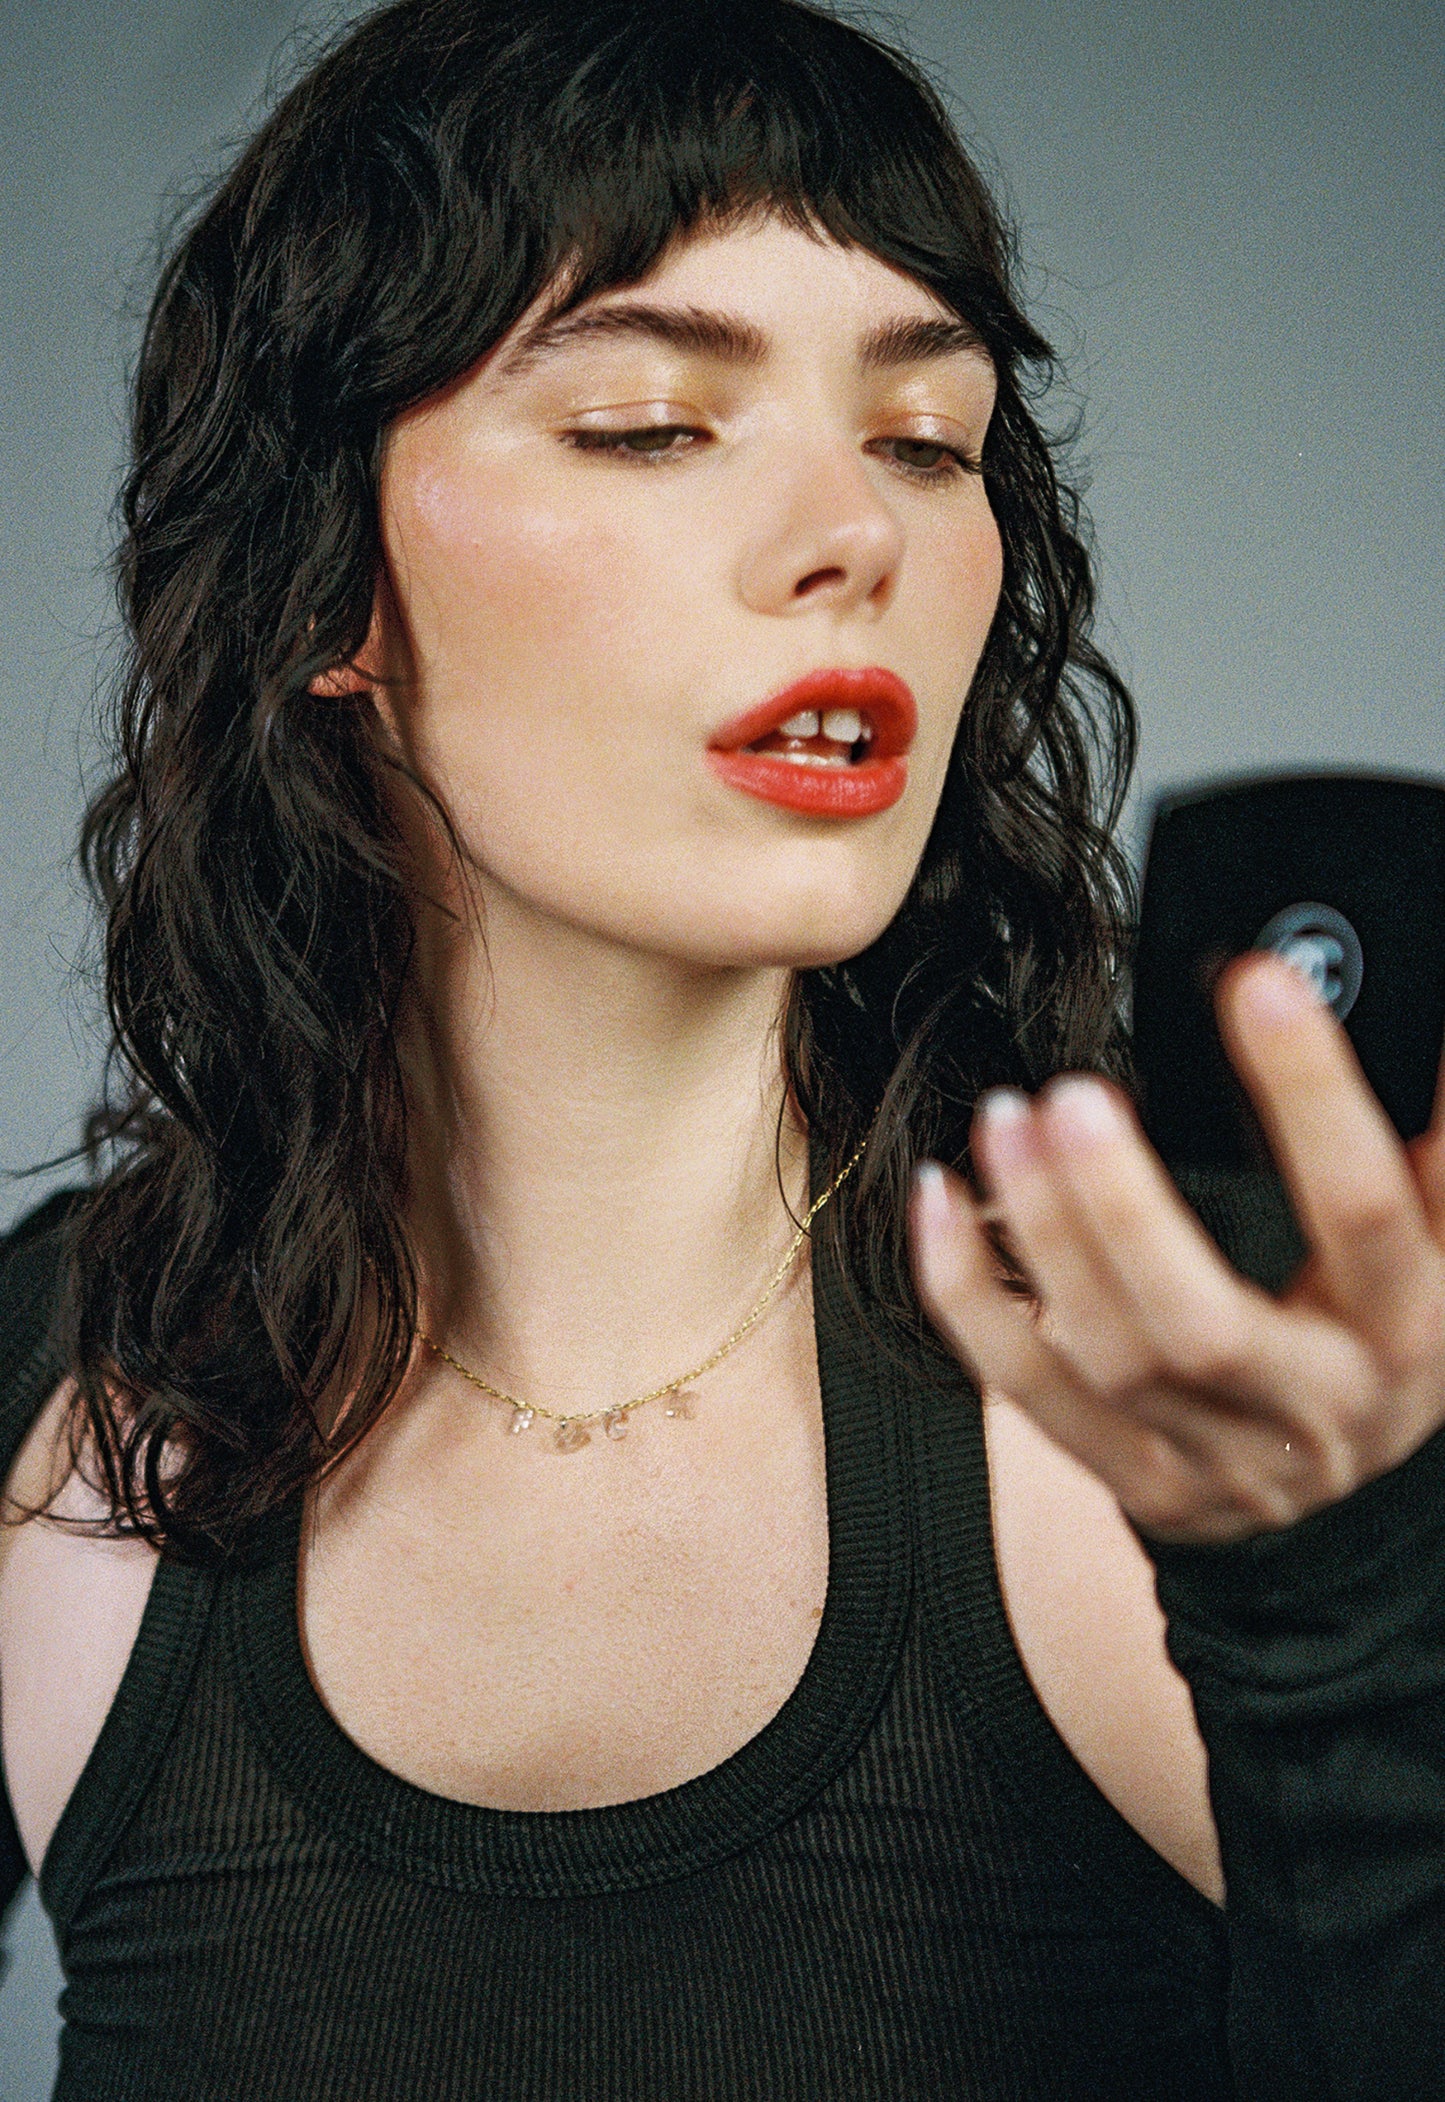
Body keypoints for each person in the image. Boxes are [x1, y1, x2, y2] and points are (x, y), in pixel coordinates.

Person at [1, 1, 1442, 2094]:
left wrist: (1349, 1614)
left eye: (926, 439)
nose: (851, 530)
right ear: (333, 582)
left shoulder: (1260, 1394)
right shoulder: (50, 1416)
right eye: (652, 425)